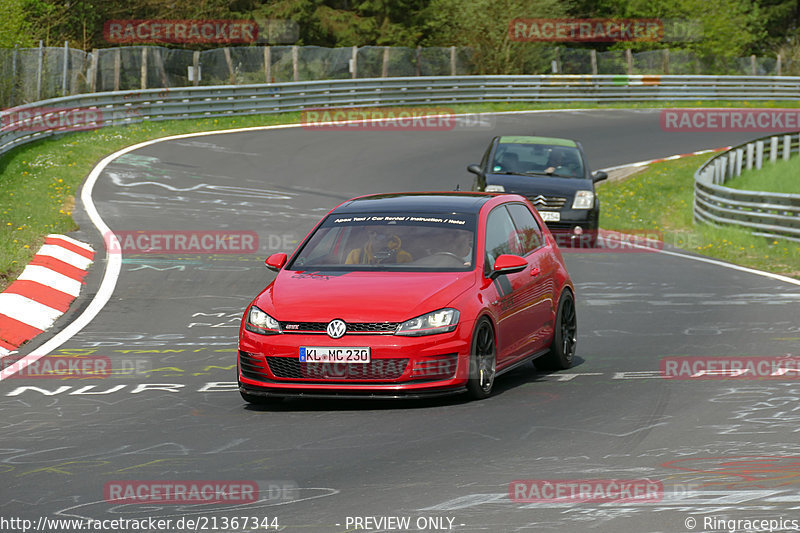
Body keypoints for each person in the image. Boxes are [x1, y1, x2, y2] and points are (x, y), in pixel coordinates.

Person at [345, 228, 412, 264]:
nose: (375, 236)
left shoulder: (403, 256)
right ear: (368, 235)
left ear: (389, 235)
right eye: (372, 233)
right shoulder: (355, 255)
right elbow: (346, 279)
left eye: (379, 232)